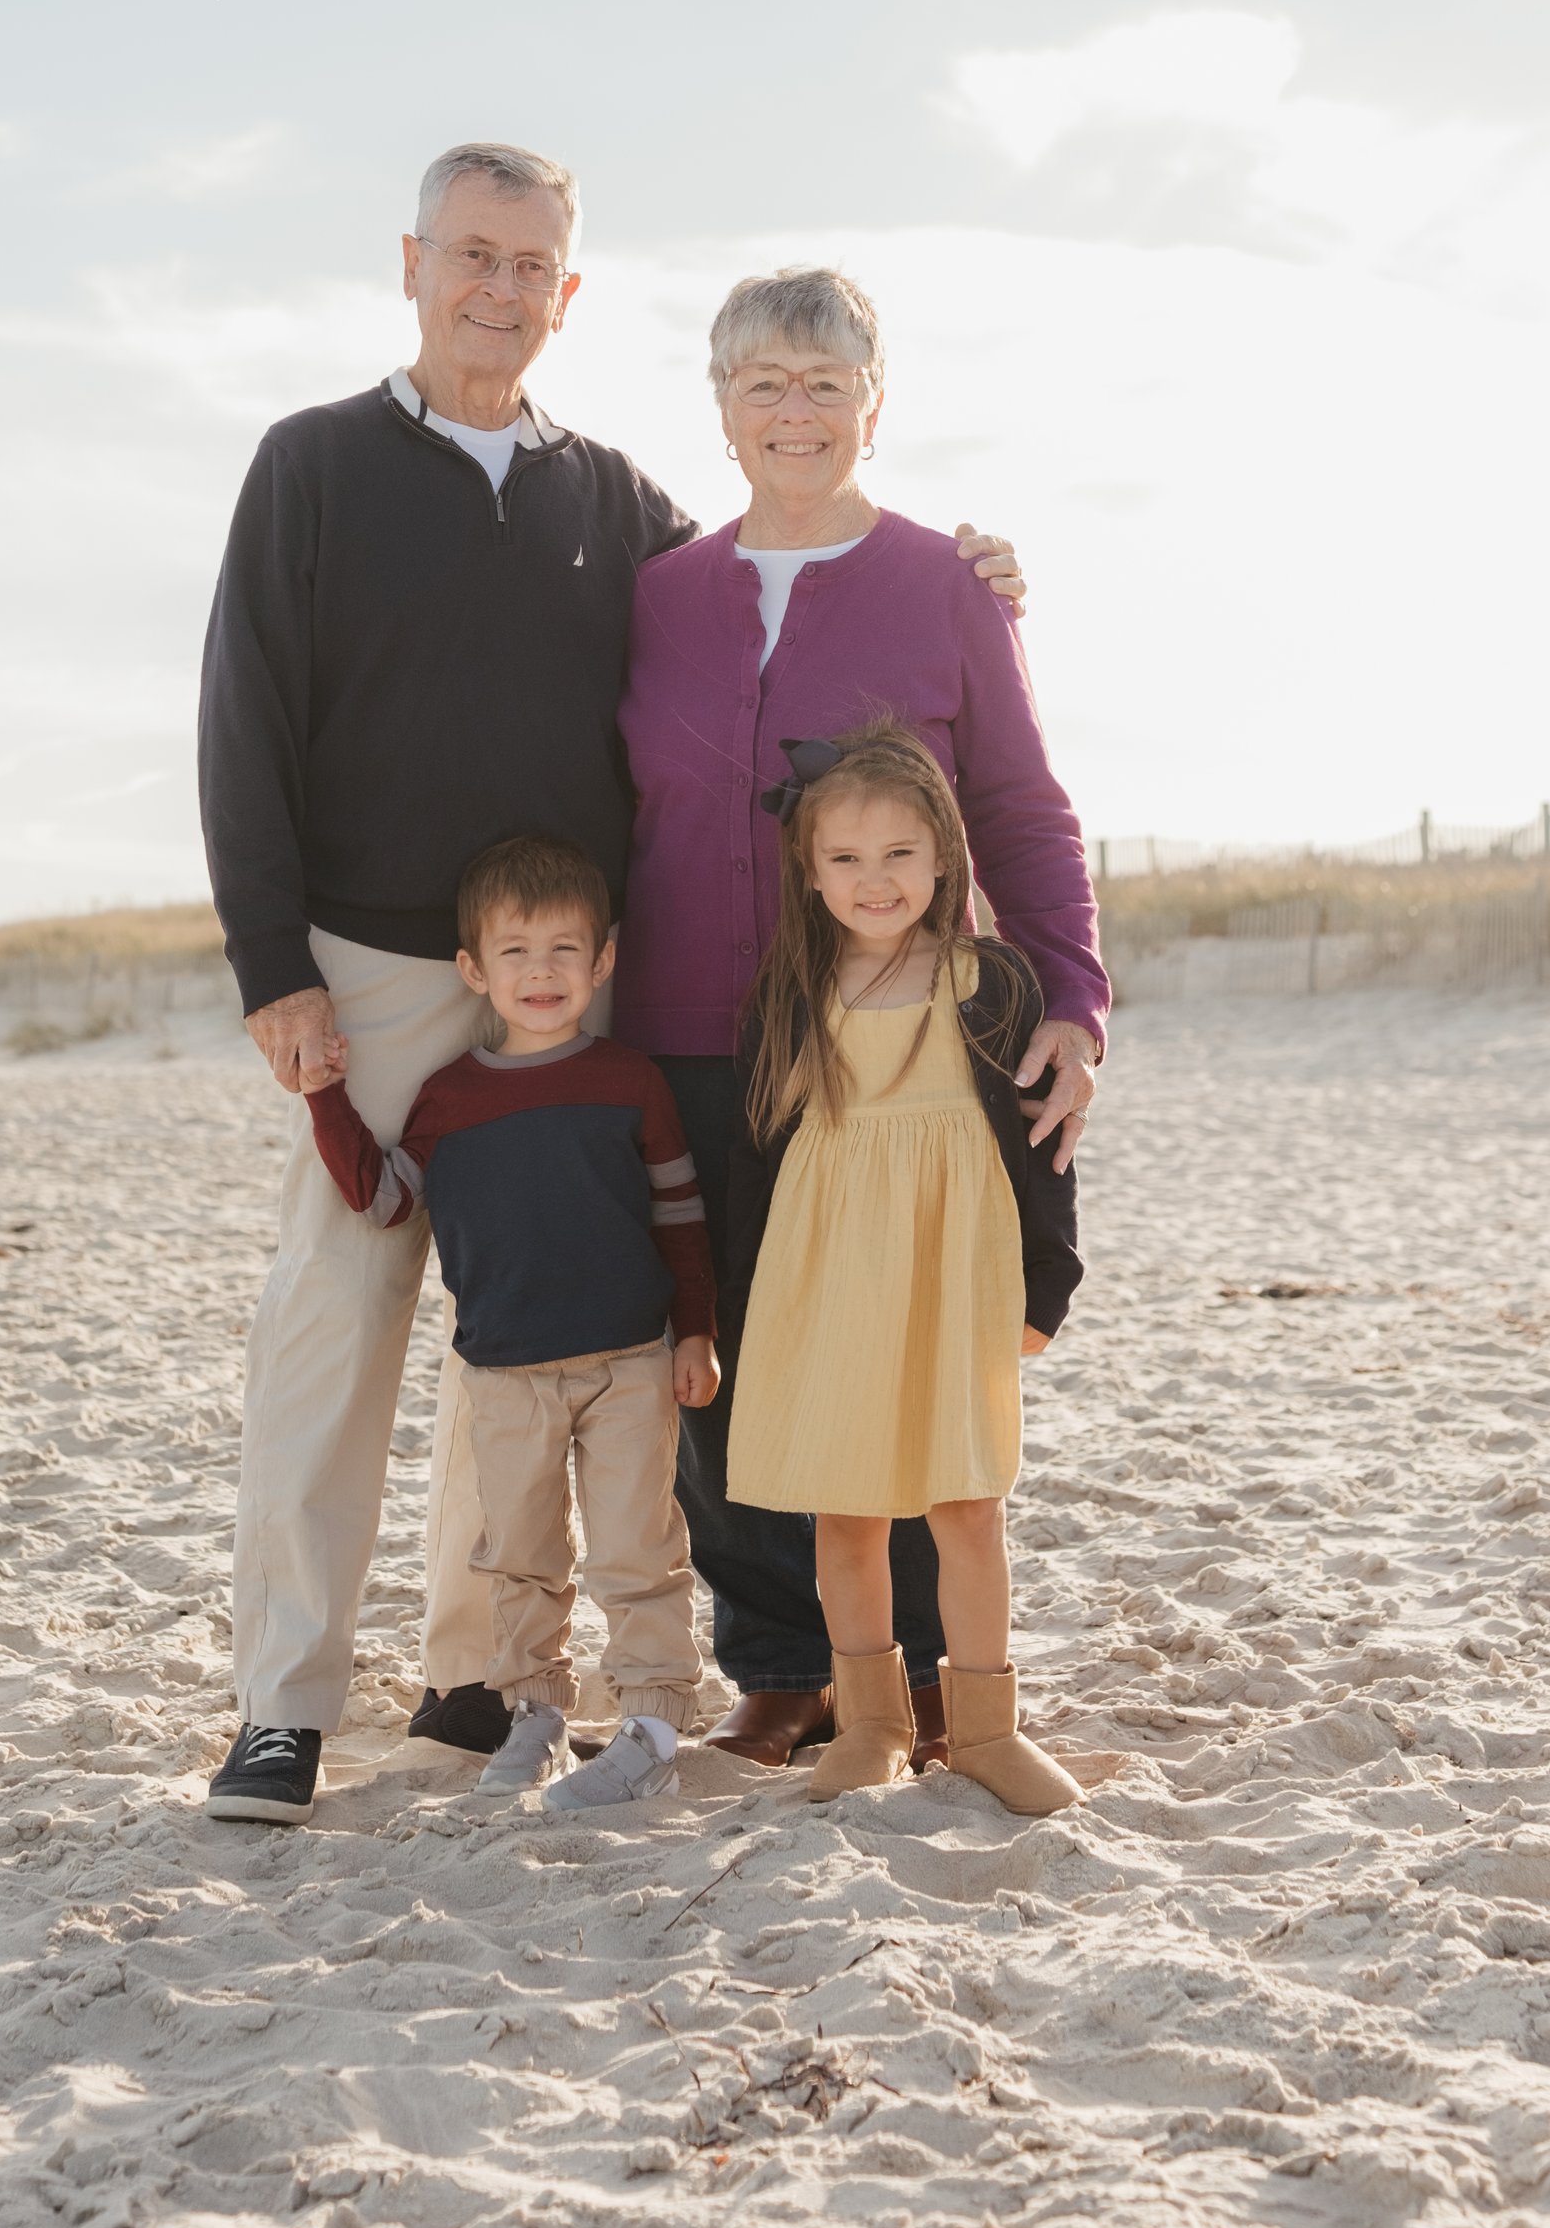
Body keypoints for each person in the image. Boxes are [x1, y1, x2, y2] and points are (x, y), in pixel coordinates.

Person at [200, 153, 1028, 1825]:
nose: (500, 291)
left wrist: (969, 568)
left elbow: (780, 557)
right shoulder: (312, 466)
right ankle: (283, 1704)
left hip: (578, 993)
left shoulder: (614, 503)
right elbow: (242, 718)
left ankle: (463, 1674)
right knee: (335, 1330)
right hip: (374, 974)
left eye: (534, 267)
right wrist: (273, 965)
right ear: (415, 265)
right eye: (473, 258)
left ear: (568, 294)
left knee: (531, 1340)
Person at [608, 267, 1107, 1770]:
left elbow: (1020, 803)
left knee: (899, 1337)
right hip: (697, 1028)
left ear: (873, 405)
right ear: (721, 408)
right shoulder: (655, 595)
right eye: (764, 381)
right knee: (732, 1352)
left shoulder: (944, 585)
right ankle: (783, 1662)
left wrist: (1075, 998)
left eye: (824, 383)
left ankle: (936, 1674)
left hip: (900, 1047)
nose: (795, 409)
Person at [286, 832, 716, 1822]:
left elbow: (680, 1215)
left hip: (628, 1364)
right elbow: (385, 1200)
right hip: (506, 1373)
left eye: (565, 950)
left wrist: (694, 1331)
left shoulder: (628, 1082)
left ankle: (650, 1728)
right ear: (473, 970)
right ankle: (536, 1715)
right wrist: (326, 1100)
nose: (542, 973)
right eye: (515, 952)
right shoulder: (450, 1099)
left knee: (633, 1548)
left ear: (601, 961)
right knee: (519, 1553)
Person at [724, 722, 1101, 1810]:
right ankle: (873, 1726)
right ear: (807, 870)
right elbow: (757, 1163)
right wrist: (742, 1308)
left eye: (898, 854)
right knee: (844, 1510)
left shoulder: (990, 982)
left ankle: (985, 1730)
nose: (873, 880)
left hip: (955, 1269)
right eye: (843, 858)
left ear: (943, 856)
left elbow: (1044, 1145)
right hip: (827, 1272)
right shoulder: (792, 992)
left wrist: (1046, 1284)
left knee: (965, 1501)